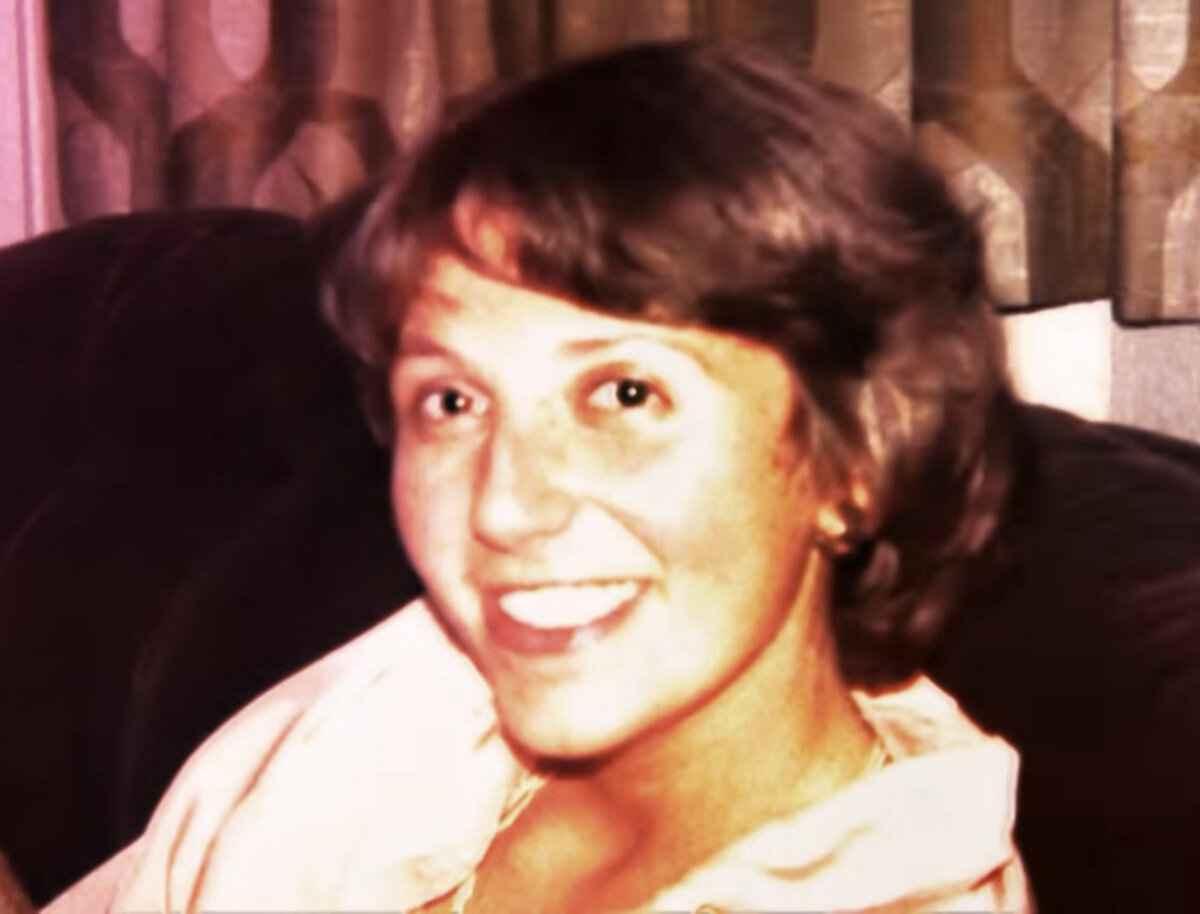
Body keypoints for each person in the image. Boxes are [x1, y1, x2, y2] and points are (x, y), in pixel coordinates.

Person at [48, 41, 1030, 913]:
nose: (502, 507)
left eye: (625, 393)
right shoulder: (407, 695)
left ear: (856, 460)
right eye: (452, 401)